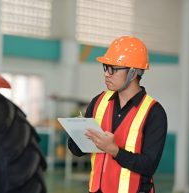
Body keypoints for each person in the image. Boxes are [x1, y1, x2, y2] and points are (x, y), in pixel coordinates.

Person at [68, 35, 167, 193]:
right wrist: (77, 134)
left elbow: (149, 165)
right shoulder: (98, 102)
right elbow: (76, 150)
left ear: (133, 73)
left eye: (113, 68)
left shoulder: (154, 112)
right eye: (105, 67)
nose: (107, 74)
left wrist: (114, 150)